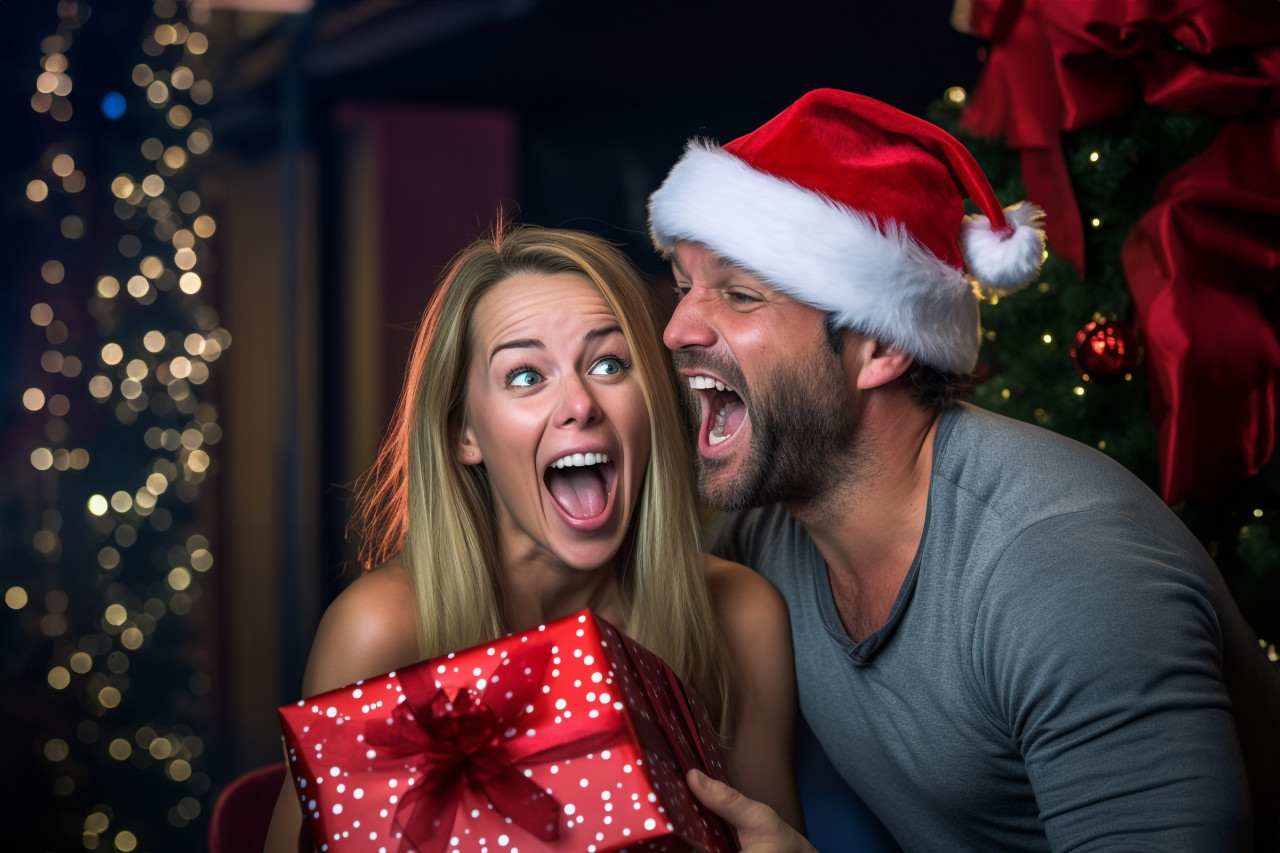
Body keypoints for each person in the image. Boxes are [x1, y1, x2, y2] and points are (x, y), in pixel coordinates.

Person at [647, 88, 1280, 851]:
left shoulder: (1062, 570)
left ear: (881, 346)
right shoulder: (767, 531)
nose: (677, 328)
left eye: (740, 294)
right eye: (685, 288)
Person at [262, 224, 802, 851]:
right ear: (465, 433)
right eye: (525, 376)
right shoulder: (380, 632)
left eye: (609, 364)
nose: (579, 403)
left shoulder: (741, 615)